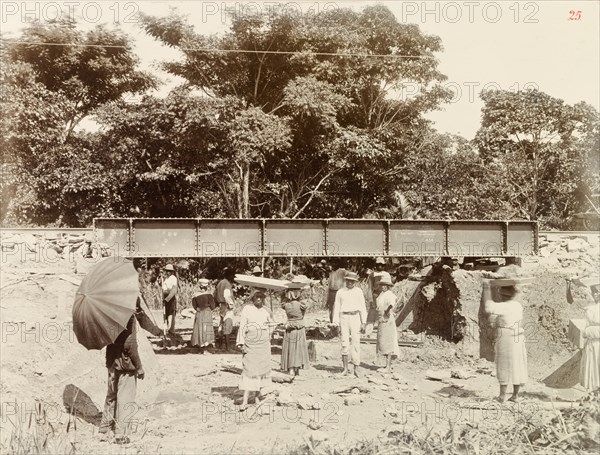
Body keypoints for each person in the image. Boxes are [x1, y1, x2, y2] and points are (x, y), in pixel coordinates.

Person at [99, 298, 145, 444]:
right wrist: (139, 366)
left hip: (112, 361)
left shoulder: (108, 314)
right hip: (126, 364)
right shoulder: (129, 319)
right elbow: (130, 346)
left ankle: (105, 428)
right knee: (126, 398)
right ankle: (121, 434)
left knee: (111, 394)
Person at [482, 280, 528, 402]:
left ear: (502, 295)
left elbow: (488, 307)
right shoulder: (517, 306)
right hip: (518, 336)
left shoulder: (503, 306)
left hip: (506, 336)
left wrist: (486, 288)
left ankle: (502, 396)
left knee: (504, 364)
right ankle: (515, 395)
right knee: (517, 365)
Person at [236, 291, 275, 410]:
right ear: (253, 298)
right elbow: (242, 325)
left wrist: (268, 334)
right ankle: (245, 400)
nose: (259, 299)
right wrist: (240, 342)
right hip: (251, 342)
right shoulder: (247, 309)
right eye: (257, 297)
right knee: (249, 370)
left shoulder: (266, 310)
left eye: (261, 297)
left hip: (263, 343)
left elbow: (273, 324)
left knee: (262, 370)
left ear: (263, 299)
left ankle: (257, 397)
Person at [332, 271, 367, 377]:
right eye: (348, 281)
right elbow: (336, 307)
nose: (350, 283)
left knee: (356, 342)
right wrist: (336, 323)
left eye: (352, 281)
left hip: (355, 317)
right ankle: (345, 369)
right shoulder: (340, 292)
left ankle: (356, 368)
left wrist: (363, 322)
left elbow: (362, 307)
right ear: (345, 280)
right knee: (344, 343)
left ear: (355, 282)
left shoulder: (358, 291)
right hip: (344, 317)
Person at [281, 280, 310, 376]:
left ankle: (291, 369)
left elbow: (283, 300)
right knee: (298, 348)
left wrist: (283, 291)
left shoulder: (286, 305)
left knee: (290, 348)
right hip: (299, 327)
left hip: (290, 326)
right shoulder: (301, 304)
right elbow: (308, 302)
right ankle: (296, 368)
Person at [376, 277, 400, 372]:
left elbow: (392, 303)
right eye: (382, 285)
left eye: (385, 285)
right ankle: (387, 364)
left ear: (388, 286)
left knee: (388, 340)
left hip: (387, 318)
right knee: (383, 341)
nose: (383, 287)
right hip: (382, 318)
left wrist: (387, 310)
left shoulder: (389, 294)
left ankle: (388, 366)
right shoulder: (382, 294)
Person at [365, 257, 392, 337]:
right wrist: (370, 300)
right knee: (372, 313)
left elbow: (389, 286)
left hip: (384, 295)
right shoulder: (372, 274)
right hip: (375, 295)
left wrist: (389, 297)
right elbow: (369, 287)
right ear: (376, 265)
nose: (380, 266)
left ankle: (385, 332)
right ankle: (368, 332)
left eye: (381, 265)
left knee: (384, 313)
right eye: (378, 265)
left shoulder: (386, 274)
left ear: (384, 266)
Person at [580, 285, 600, 391]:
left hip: (596, 341)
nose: (595, 294)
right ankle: (593, 392)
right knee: (592, 366)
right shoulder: (590, 308)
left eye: (597, 292)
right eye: (594, 293)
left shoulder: (594, 309)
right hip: (591, 342)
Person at [190, 279, 216, 353]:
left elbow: (195, 306)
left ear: (200, 287)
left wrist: (198, 308)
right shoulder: (209, 295)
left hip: (199, 313)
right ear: (206, 287)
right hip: (207, 312)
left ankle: (200, 346)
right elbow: (213, 306)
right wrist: (208, 306)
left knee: (199, 328)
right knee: (206, 328)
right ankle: (206, 347)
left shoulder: (195, 295)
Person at [327, 259, 347, 323]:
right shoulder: (331, 272)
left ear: (338, 264)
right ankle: (332, 323)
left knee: (339, 307)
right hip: (331, 292)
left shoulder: (342, 272)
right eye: (332, 263)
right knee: (331, 308)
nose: (333, 264)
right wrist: (328, 297)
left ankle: (339, 323)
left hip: (339, 291)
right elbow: (329, 285)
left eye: (335, 263)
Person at [161, 264, 178, 337]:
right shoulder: (166, 278)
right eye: (167, 271)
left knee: (171, 314)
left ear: (172, 272)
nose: (168, 272)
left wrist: (167, 298)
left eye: (169, 271)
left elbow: (174, 290)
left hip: (170, 297)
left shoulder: (173, 278)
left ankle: (171, 330)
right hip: (165, 297)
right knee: (166, 314)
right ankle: (167, 329)